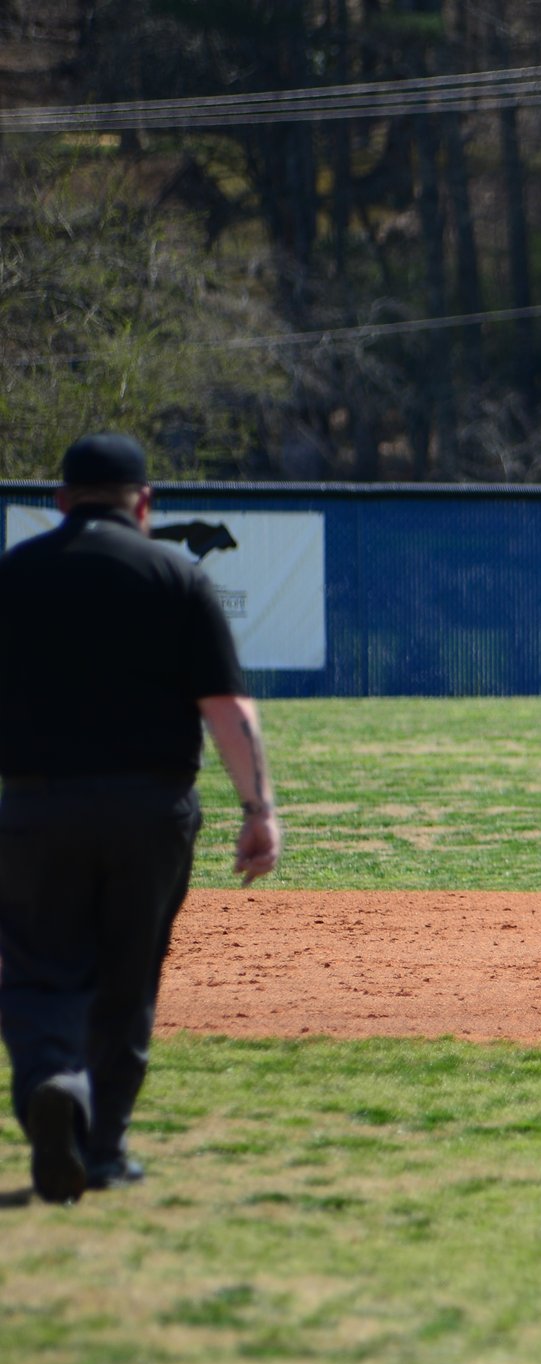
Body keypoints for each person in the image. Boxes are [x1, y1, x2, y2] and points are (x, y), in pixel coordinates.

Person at [0, 433, 281, 1205]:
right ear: (145, 503)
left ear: (59, 502)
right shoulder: (175, 576)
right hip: (149, 809)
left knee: (34, 970)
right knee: (129, 975)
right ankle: (103, 1148)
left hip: (34, 805)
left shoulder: (14, 575)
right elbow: (226, 709)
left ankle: (55, 1081)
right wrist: (258, 810)